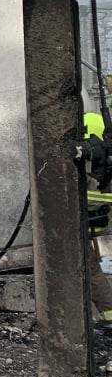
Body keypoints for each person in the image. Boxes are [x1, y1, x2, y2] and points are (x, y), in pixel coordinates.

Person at [75, 111, 112, 325]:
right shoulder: (105, 150)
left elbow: (77, 151)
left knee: (89, 268)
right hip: (95, 216)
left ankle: (107, 314)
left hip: (85, 216)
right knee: (88, 266)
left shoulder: (95, 146)